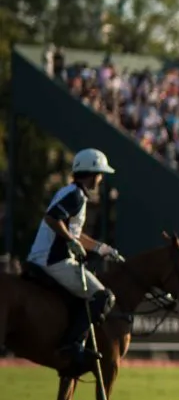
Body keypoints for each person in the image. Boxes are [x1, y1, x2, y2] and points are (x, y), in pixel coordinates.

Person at [26, 149, 122, 367]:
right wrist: (70, 241)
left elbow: (76, 235)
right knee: (103, 297)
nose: (101, 179)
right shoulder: (76, 195)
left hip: (48, 257)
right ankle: (72, 344)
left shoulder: (71, 192)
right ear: (91, 173)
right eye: (100, 174)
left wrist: (101, 248)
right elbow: (52, 218)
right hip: (54, 260)